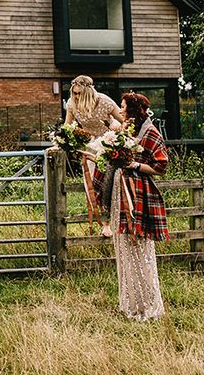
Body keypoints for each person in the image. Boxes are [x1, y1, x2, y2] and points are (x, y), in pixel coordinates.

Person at [91, 93, 169, 321]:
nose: (121, 111)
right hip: (119, 194)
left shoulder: (150, 133)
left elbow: (161, 166)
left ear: (133, 110)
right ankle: (130, 305)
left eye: (124, 107)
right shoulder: (124, 133)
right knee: (124, 246)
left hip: (137, 196)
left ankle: (147, 306)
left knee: (139, 247)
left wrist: (133, 164)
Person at [64, 75, 124, 236]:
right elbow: (67, 127)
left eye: (79, 93)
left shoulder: (105, 102)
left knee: (109, 181)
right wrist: (66, 141)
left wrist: (118, 130)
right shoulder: (71, 104)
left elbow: (124, 121)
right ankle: (102, 222)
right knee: (91, 182)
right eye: (74, 93)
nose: (76, 96)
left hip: (109, 143)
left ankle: (111, 221)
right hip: (90, 146)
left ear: (88, 92)